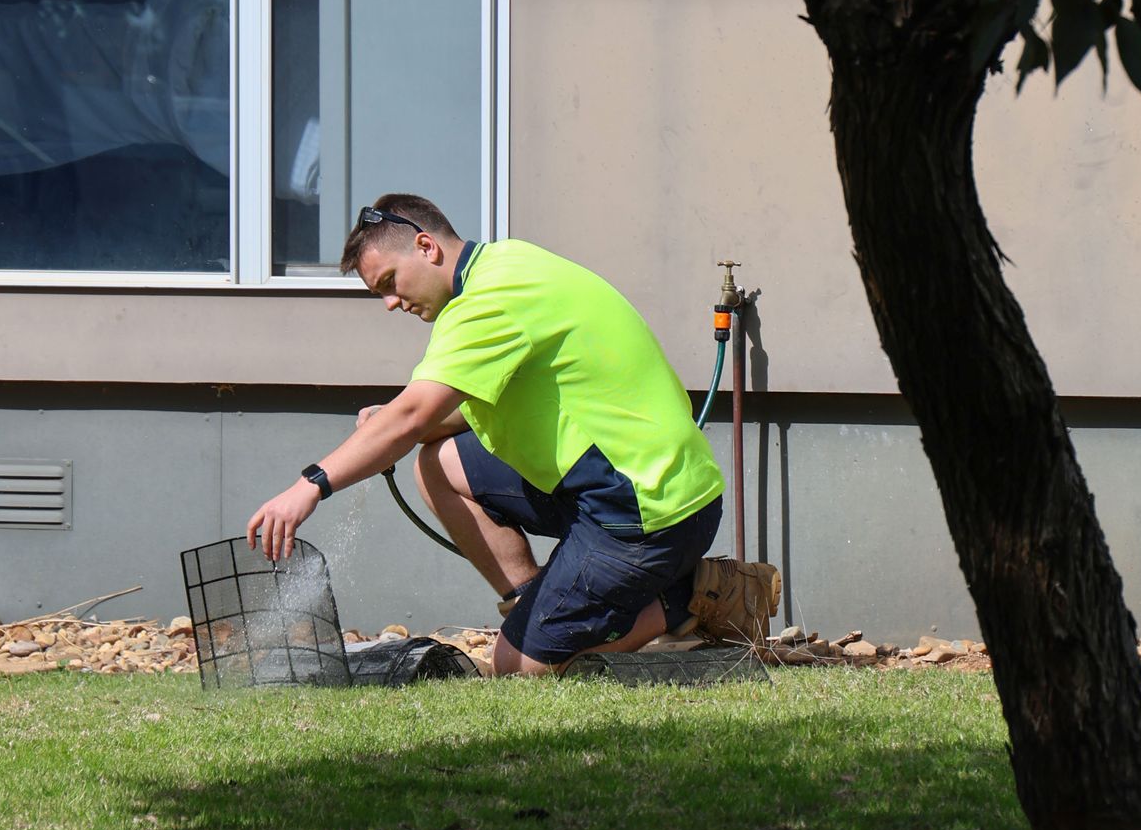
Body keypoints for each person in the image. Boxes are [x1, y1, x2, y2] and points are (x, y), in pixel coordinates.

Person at [245, 193, 781, 674]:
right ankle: (534, 605)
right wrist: (395, 423)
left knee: (517, 665)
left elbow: (411, 417)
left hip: (647, 511)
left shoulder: (488, 302)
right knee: (439, 463)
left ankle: (697, 597)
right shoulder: (507, 264)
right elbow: (435, 416)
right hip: (627, 484)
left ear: (427, 247)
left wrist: (310, 485)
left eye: (389, 283)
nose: (391, 303)